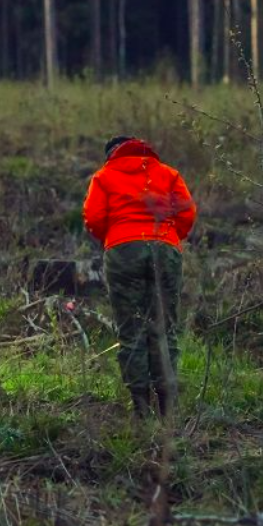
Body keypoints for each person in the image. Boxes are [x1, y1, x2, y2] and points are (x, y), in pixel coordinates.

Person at [83, 136, 197, 419]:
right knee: (165, 327)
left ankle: (141, 408)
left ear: (111, 155)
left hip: (123, 250)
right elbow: (187, 212)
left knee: (131, 329)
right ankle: (168, 410)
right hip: (165, 247)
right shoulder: (169, 173)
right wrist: (170, 237)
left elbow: (93, 217)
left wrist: (115, 237)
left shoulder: (104, 176)